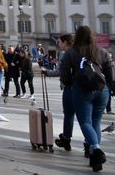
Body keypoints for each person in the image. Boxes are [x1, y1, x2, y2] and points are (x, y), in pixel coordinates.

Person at [59, 25, 111, 171]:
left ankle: (96, 149)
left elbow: (64, 72)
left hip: (82, 90)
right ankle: (95, 159)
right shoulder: (102, 51)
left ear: (77, 37)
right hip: (102, 89)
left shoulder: (71, 52)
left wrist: (69, 83)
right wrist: (110, 88)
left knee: (86, 122)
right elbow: (109, 72)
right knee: (96, 122)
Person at [44, 33, 76, 152]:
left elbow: (60, 71)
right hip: (82, 88)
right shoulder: (80, 51)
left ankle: (66, 139)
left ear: (65, 43)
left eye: (60, 42)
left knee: (69, 115)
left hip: (69, 87)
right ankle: (89, 145)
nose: (59, 45)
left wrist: (46, 72)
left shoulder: (65, 53)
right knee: (85, 118)